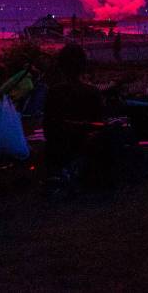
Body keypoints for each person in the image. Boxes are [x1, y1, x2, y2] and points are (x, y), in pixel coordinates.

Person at [43, 44, 107, 187]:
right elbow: (99, 124)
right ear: (83, 66)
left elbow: (48, 126)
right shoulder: (92, 92)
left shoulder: (53, 92)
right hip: (85, 146)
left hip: (57, 149)